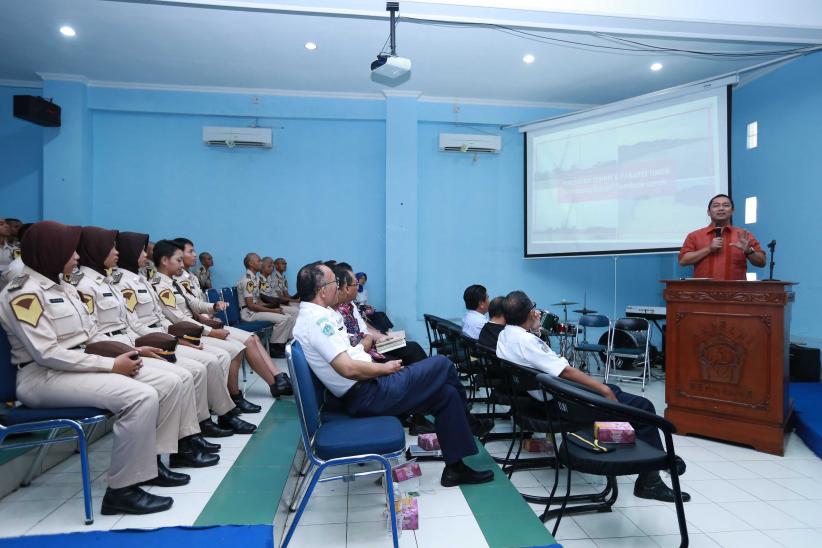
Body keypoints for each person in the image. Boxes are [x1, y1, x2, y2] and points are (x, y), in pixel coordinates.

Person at [0, 221, 185, 515]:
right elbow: (48, 354)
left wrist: (134, 351)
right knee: (140, 396)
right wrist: (112, 365)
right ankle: (122, 491)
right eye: (69, 251)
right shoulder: (24, 293)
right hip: (43, 377)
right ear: (50, 251)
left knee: (170, 382)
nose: (77, 257)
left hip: (80, 366)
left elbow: (92, 335)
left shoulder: (64, 286)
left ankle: (150, 466)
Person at [293, 262, 495, 487]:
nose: (337, 287)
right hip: (367, 393)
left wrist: (372, 358)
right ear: (322, 290)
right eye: (334, 282)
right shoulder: (317, 321)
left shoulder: (317, 315)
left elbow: (349, 355)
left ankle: (455, 469)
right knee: (443, 364)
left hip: (366, 388)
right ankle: (470, 423)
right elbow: (347, 368)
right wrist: (385, 368)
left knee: (446, 394)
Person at [495, 290, 690, 503]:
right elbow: (565, 371)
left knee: (618, 394)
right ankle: (650, 479)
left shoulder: (505, 335)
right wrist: (603, 390)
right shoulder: (526, 342)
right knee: (641, 406)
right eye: (534, 309)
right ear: (530, 312)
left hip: (540, 399)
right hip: (560, 404)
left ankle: (657, 462)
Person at [74, 226, 220, 469]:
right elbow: (93, 335)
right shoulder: (86, 284)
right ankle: (166, 454)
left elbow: (129, 324)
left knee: (185, 373)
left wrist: (152, 343)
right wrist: (137, 349)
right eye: (112, 247)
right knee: (175, 378)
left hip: (130, 343)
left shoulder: (113, 280)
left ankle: (183, 442)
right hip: (108, 352)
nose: (117, 251)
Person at [114, 231, 257, 433]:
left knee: (226, 353)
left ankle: (214, 415)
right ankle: (211, 418)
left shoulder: (146, 281)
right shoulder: (140, 283)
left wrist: (211, 309)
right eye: (142, 252)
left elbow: (175, 312)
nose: (146, 256)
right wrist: (180, 339)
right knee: (213, 359)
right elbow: (163, 320)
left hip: (170, 332)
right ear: (165, 260)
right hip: (157, 337)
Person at [152, 240, 294, 399]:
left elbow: (193, 303)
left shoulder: (183, 278)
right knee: (242, 344)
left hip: (201, 323)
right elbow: (179, 317)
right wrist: (210, 327)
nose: (195, 255)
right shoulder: (169, 282)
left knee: (252, 338)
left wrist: (213, 308)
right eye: (189, 252)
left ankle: (277, 378)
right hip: (192, 330)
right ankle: (262, 387)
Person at [679, 193, 766, 280]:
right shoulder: (695, 235)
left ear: (732, 211)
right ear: (708, 212)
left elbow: (762, 262)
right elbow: (683, 260)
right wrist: (709, 249)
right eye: (716, 205)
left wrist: (749, 251)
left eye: (726, 205)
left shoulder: (744, 235)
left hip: (736, 291)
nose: (721, 208)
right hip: (703, 291)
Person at [238, 252, 297, 355]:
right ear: (251, 263)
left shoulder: (254, 279)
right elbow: (251, 305)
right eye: (258, 261)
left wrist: (275, 308)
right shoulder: (248, 281)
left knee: (287, 315)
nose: (261, 263)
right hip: (249, 314)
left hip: (255, 310)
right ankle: (274, 347)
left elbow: (259, 301)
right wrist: (272, 310)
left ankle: (282, 343)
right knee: (284, 318)